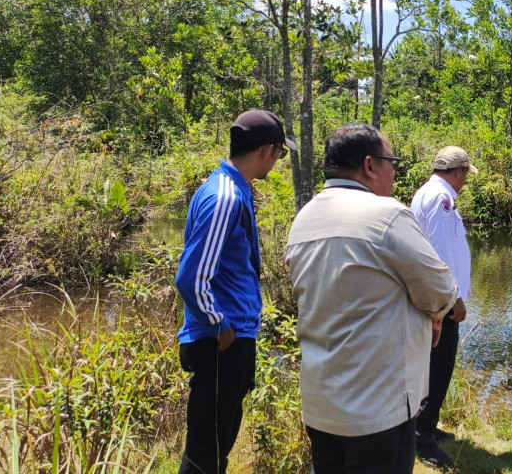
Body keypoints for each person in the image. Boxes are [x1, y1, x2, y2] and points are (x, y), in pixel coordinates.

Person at [286, 123, 458, 474]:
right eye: (390, 160)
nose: (394, 170)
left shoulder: (303, 219)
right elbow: (440, 289)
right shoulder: (386, 215)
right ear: (369, 165)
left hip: (321, 405)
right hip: (377, 409)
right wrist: (436, 315)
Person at [175, 109, 296, 474]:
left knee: (216, 447)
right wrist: (220, 326)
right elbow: (191, 277)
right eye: (280, 152)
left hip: (231, 337)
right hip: (220, 343)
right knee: (205, 454)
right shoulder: (225, 197)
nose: (278, 160)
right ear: (265, 150)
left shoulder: (227, 187)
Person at [410, 146, 478, 467]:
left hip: (436, 298)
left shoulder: (432, 193)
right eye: (466, 174)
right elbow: (439, 254)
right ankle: (422, 439)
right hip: (442, 302)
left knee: (430, 367)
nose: (465, 180)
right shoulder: (441, 199)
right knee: (438, 369)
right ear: (460, 170)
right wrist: (453, 299)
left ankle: (426, 426)